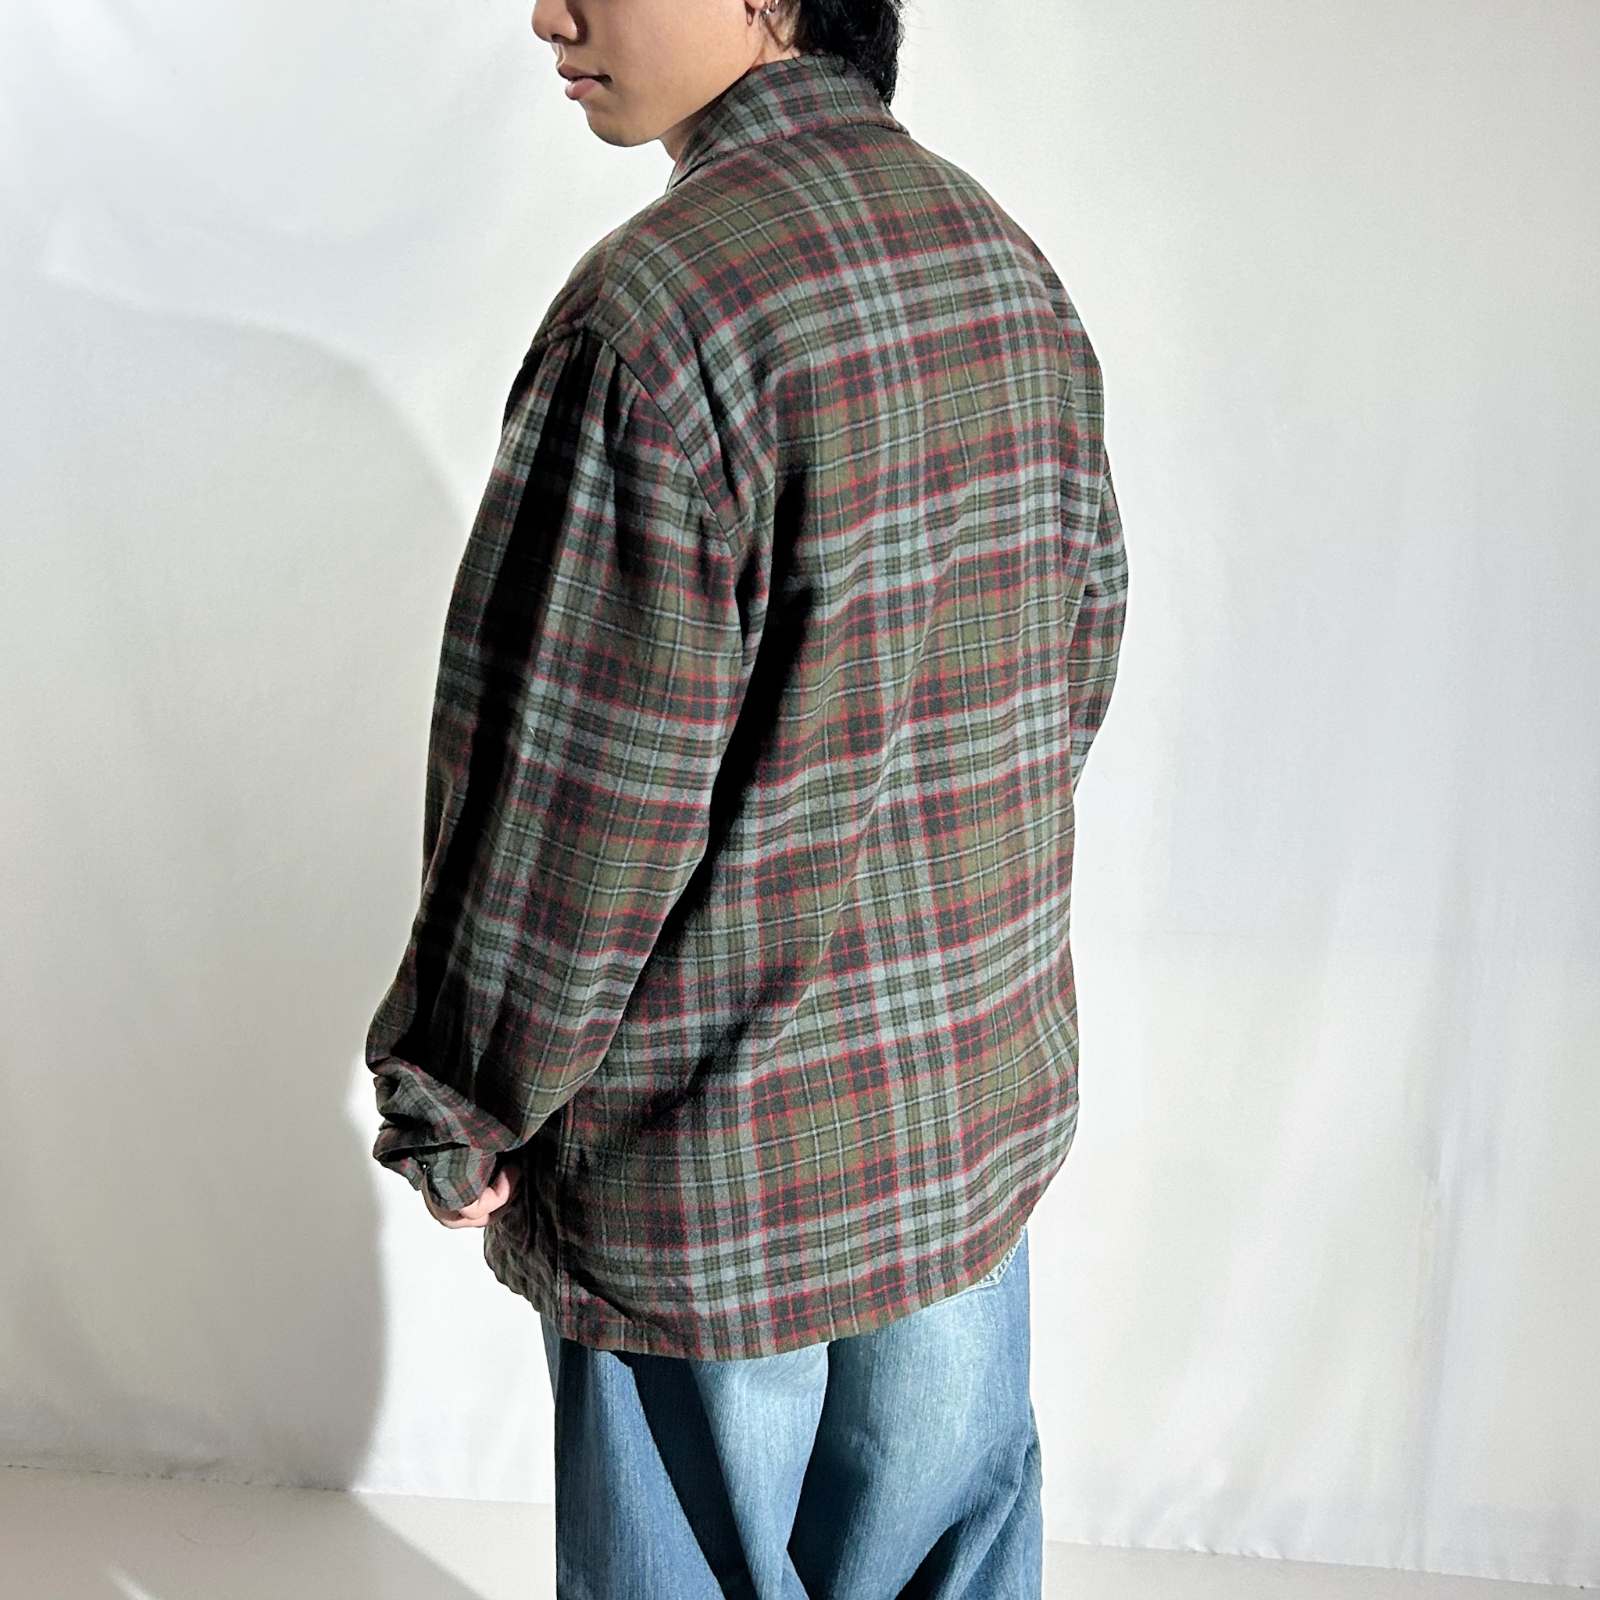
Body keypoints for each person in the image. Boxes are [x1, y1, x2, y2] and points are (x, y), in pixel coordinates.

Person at [363, 0, 1129, 1593]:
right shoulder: (997, 259)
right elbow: (1074, 662)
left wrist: (460, 1092)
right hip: (960, 1116)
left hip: (714, 1163)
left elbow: (573, 800)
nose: (550, 13)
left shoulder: (657, 320)